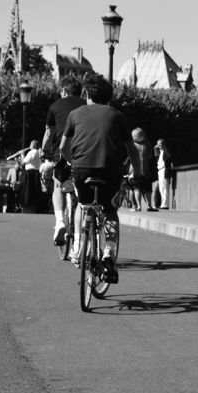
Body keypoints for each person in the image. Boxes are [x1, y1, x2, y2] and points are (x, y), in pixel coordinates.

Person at [59, 73, 143, 284]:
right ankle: (108, 254)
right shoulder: (118, 116)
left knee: (83, 204)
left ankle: (78, 246)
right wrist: (138, 174)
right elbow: (132, 151)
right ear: (109, 97)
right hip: (110, 171)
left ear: (87, 94)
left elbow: (62, 147)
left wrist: (72, 162)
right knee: (110, 211)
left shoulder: (75, 114)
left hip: (81, 170)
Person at [43, 75, 85, 244]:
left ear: (65, 90)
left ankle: (60, 220)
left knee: (58, 186)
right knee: (81, 194)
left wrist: (44, 150)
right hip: (83, 152)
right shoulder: (86, 105)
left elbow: (48, 133)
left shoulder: (55, 106)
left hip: (62, 151)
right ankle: (78, 241)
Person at [128, 127, 156, 212]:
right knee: (148, 189)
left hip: (136, 171)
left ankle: (138, 206)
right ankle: (149, 205)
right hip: (146, 171)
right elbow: (150, 157)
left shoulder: (132, 146)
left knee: (137, 189)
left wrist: (130, 173)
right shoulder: (147, 146)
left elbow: (131, 160)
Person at [18, 140, 42, 213]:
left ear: (33, 145)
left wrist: (22, 155)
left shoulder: (32, 152)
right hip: (36, 172)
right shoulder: (39, 152)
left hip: (29, 173)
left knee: (27, 190)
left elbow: (23, 162)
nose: (30, 146)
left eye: (30, 145)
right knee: (35, 190)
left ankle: (27, 206)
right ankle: (35, 206)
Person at [154, 138, 173, 209]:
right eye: (158, 144)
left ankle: (165, 204)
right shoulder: (159, 152)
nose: (159, 146)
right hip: (160, 170)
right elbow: (156, 157)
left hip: (164, 170)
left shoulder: (166, 150)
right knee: (161, 188)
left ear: (163, 144)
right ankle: (163, 203)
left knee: (165, 187)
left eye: (160, 144)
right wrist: (155, 148)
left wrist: (168, 164)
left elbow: (169, 157)